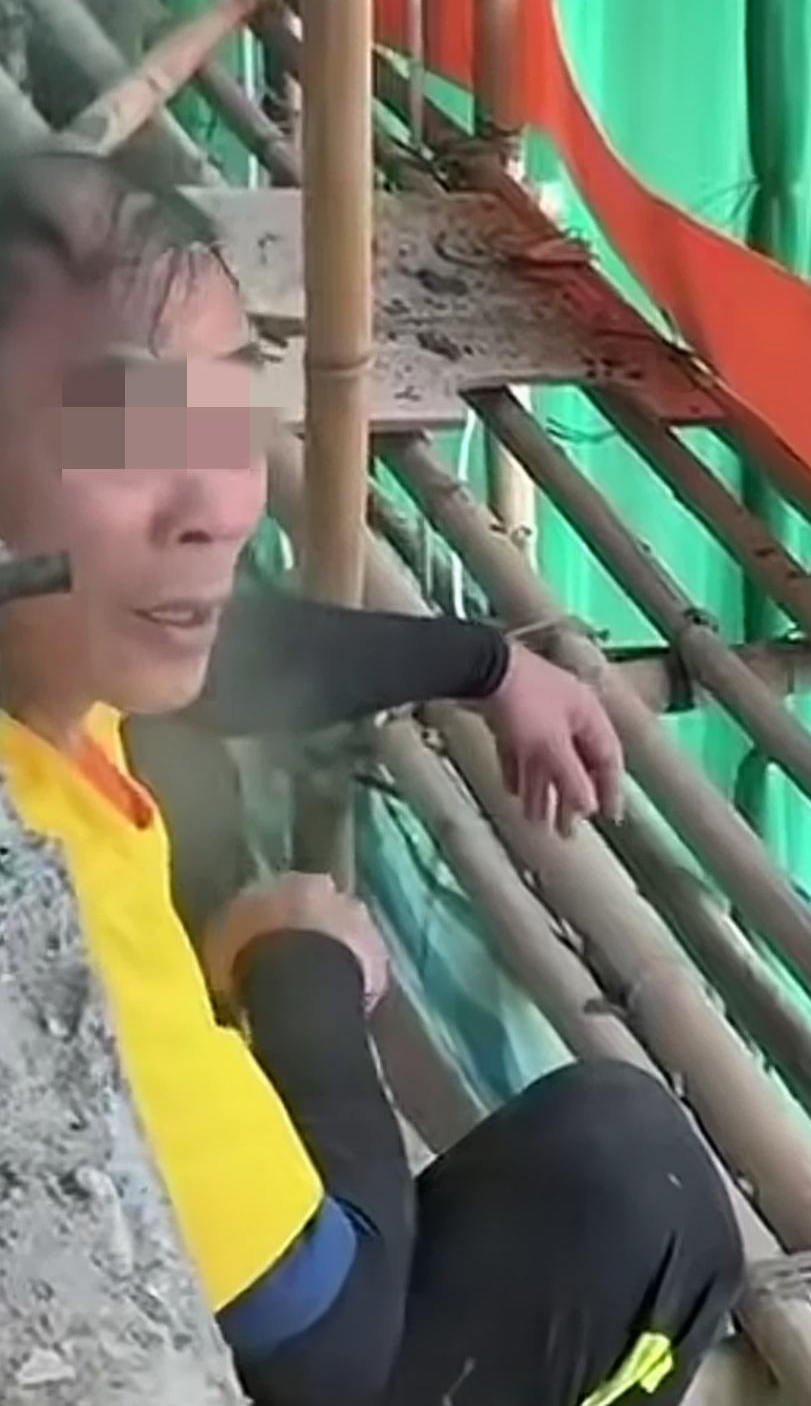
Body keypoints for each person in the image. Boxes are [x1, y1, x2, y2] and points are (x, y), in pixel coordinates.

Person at [0, 150, 745, 1406]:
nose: (221, 500)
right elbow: (329, 1343)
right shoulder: (44, 909)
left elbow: (232, 652)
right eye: (118, 430)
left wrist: (484, 664)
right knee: (640, 1186)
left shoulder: (48, 656)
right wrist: (301, 972)